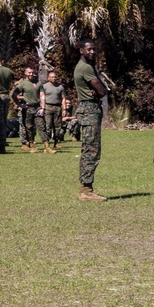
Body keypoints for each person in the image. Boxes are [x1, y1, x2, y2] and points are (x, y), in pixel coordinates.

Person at [74, 38, 109, 201]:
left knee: (89, 149)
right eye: (89, 49)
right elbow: (102, 91)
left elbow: (100, 89)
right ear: (81, 50)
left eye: (94, 49)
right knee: (91, 150)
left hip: (88, 108)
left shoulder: (86, 67)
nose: (92, 52)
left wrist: (99, 89)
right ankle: (86, 191)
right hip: (89, 109)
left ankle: (85, 188)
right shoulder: (86, 68)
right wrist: (100, 89)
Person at [12, 67, 41, 153]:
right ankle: (24, 143)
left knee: (32, 126)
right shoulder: (20, 83)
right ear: (25, 73)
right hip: (23, 106)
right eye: (29, 72)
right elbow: (14, 94)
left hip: (32, 106)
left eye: (32, 72)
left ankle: (31, 141)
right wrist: (24, 99)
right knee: (23, 125)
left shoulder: (35, 82)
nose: (31, 74)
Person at [38, 70, 66, 151]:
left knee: (57, 126)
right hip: (48, 107)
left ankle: (56, 142)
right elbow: (41, 97)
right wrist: (42, 107)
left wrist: (64, 109)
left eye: (55, 77)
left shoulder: (60, 87)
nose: (54, 78)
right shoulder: (44, 86)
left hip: (57, 108)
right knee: (48, 126)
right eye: (52, 77)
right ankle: (47, 143)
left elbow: (63, 98)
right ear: (48, 78)